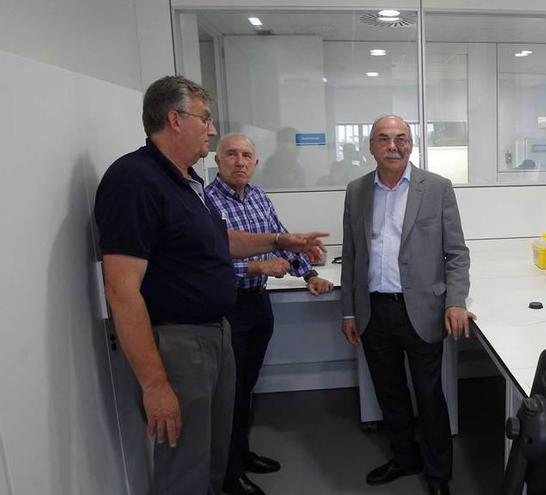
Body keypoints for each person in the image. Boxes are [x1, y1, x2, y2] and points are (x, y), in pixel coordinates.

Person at [94, 76, 327, 495]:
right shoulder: (134, 180)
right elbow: (121, 289)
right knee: (184, 463)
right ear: (174, 119)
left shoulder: (184, 181)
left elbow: (217, 241)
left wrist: (279, 241)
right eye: (205, 118)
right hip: (179, 343)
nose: (212, 128)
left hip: (213, 332)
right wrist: (155, 384)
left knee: (214, 456)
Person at [340, 114, 474, 495]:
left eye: (401, 138)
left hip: (423, 310)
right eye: (384, 139)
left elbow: (456, 254)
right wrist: (349, 310)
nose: (393, 146)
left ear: (412, 144)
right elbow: (352, 256)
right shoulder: (356, 190)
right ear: (371, 146)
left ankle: (438, 475)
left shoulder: (436, 188)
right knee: (390, 392)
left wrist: (456, 301)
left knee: (430, 396)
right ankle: (404, 457)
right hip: (373, 311)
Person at [205, 133, 334, 495]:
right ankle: (229, 477)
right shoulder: (207, 202)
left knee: (246, 387)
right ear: (218, 160)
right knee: (228, 394)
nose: (240, 161)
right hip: (227, 307)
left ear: (256, 163)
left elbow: (282, 239)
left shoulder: (260, 196)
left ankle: (242, 456)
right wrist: (256, 269)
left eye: (247, 155)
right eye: (231, 154)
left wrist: (308, 272)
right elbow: (207, 264)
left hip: (258, 305)